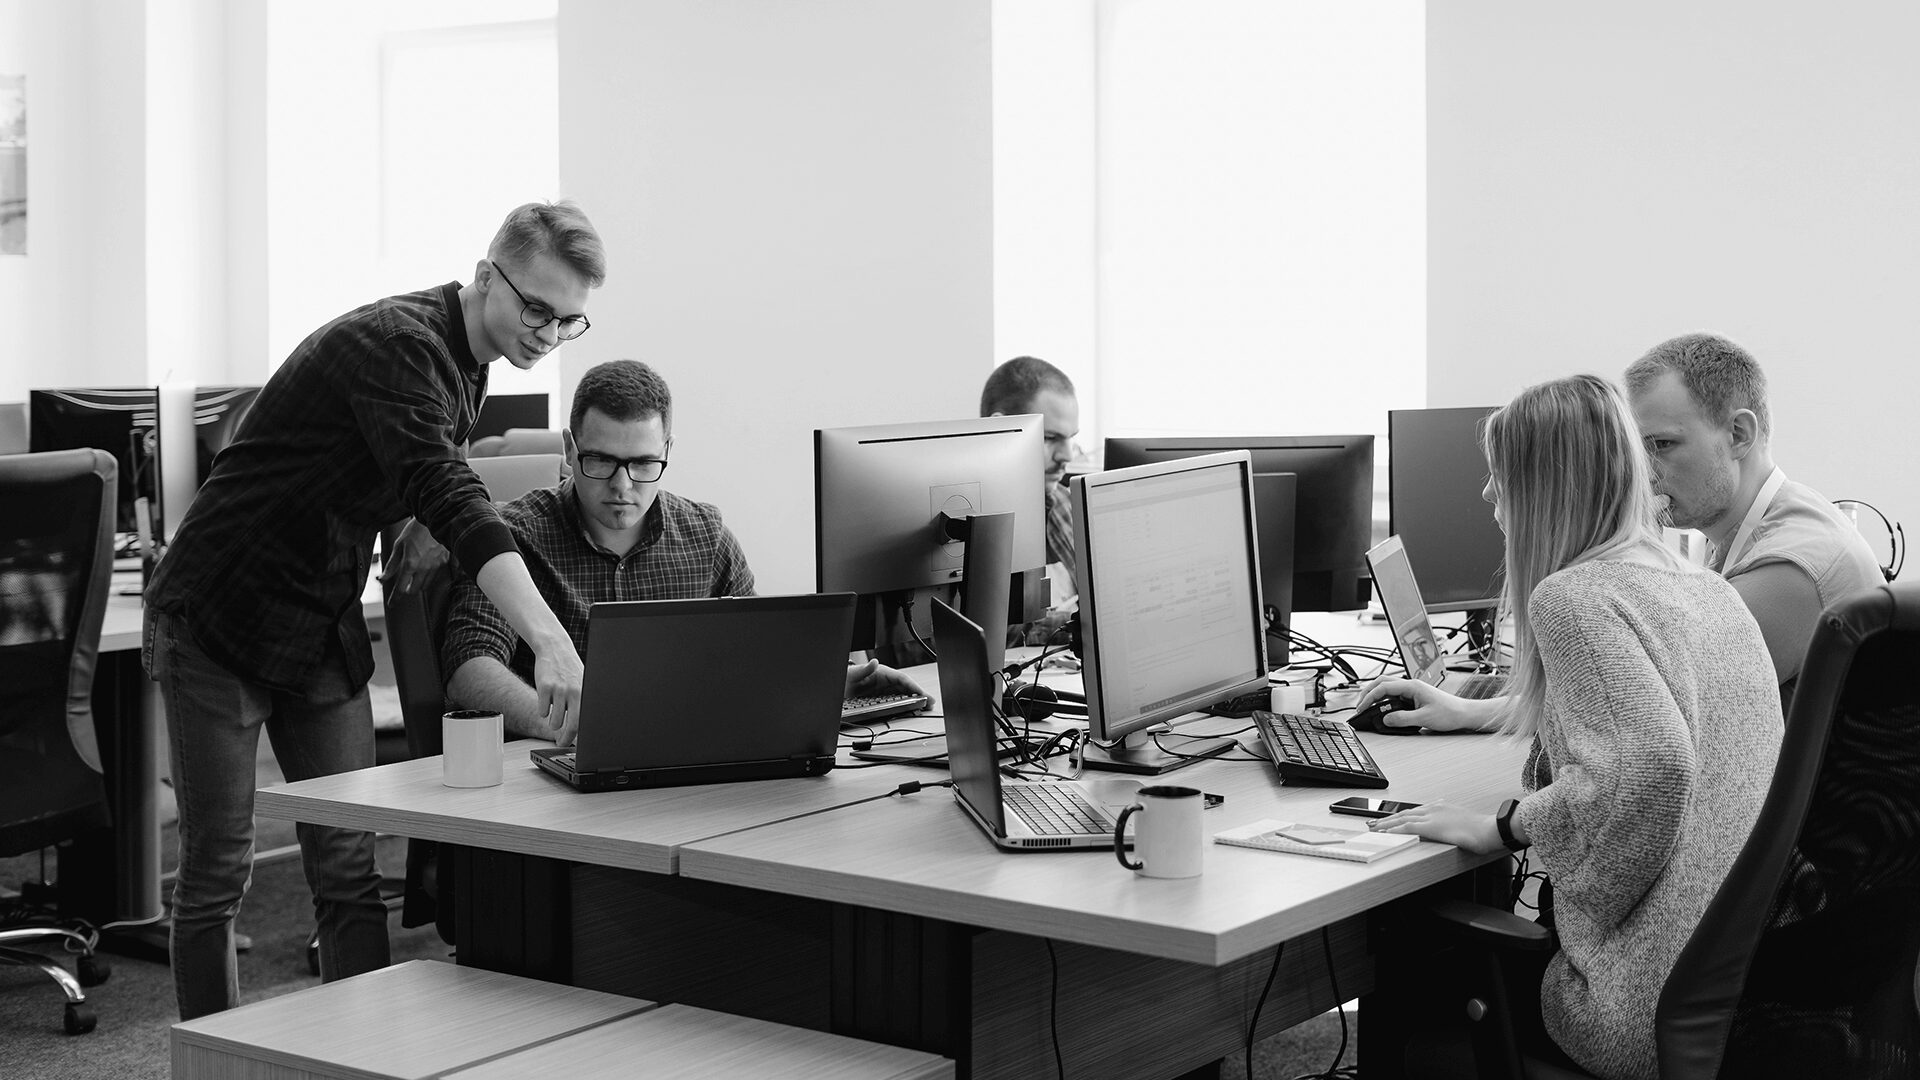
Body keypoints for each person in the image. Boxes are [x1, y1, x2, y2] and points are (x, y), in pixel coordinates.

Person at [143, 200, 604, 1019]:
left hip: (318, 620)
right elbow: (446, 486)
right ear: (486, 275)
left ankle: (357, 1061)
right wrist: (552, 641)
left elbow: (402, 463)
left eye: (569, 321)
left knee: (349, 861)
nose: (548, 333)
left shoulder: (470, 360)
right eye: (537, 308)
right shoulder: (398, 343)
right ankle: (213, 1060)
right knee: (217, 871)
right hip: (218, 611)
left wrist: (410, 519)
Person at [1369, 374, 1783, 1080]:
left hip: (1635, 1007)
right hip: (1737, 998)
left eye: (1501, 477)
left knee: (1413, 998)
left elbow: (1652, 767)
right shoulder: (1707, 589)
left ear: (1542, 489)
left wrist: (1505, 828)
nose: (1488, 494)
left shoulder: (1573, 598)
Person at [442, 359, 922, 742]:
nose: (622, 486)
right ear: (570, 449)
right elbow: (470, 670)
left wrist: (829, 683)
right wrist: (566, 725)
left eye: (643, 464)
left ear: (668, 450)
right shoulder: (512, 538)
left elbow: (758, 655)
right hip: (560, 774)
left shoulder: (705, 536)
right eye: (601, 461)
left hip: (687, 759)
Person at [1624, 332, 1882, 708]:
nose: (1644, 473)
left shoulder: (1790, 567)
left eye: (1662, 445)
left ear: (1739, 435)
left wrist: (1619, 542)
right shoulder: (1756, 527)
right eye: (1636, 450)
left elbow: (1639, 706)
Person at [979, 356, 1080, 639]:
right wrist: (1072, 627)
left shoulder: (1065, 503)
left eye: (1071, 438)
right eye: (1050, 438)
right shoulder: (955, 525)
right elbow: (922, 645)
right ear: (999, 431)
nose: (1066, 456)